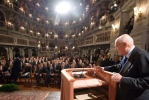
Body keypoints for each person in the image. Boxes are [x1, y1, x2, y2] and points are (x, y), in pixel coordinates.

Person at [96, 34, 149, 100]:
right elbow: (119, 66)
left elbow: (146, 81)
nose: (116, 49)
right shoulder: (126, 55)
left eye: (116, 46)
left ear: (124, 44)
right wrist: (103, 68)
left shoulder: (142, 55)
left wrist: (122, 79)